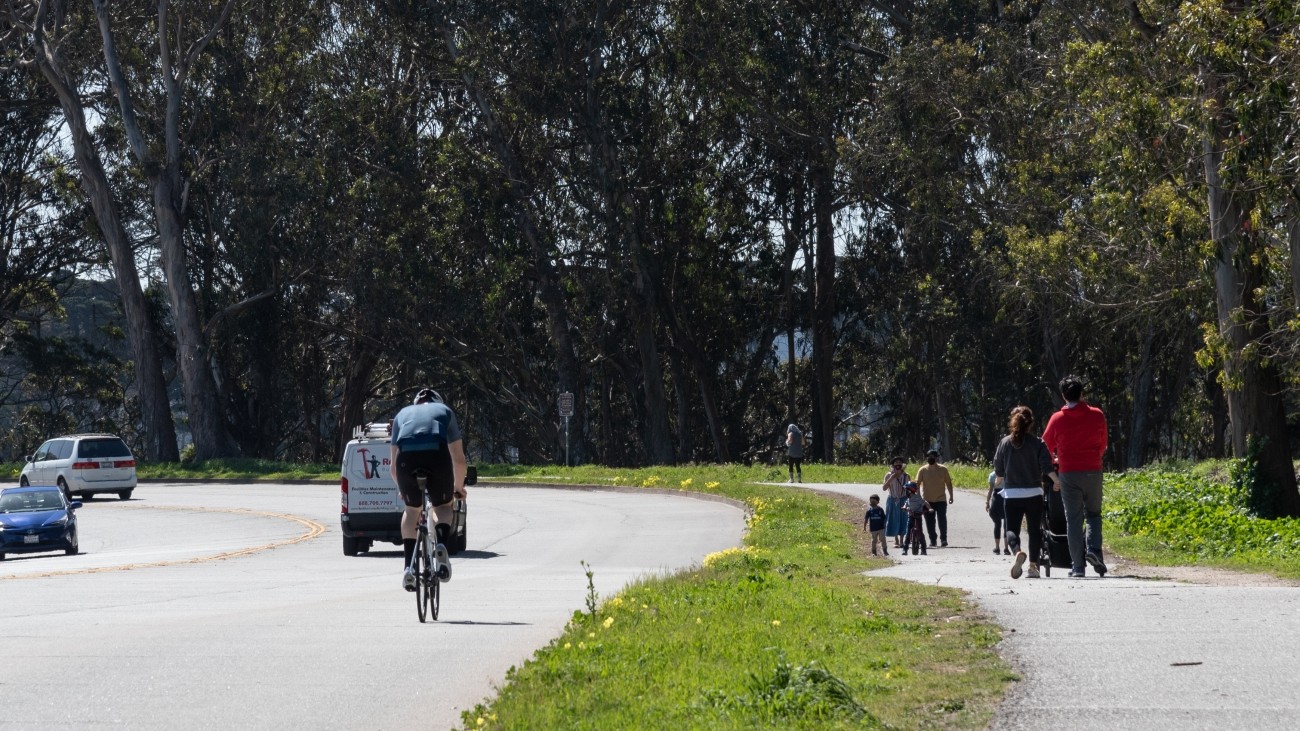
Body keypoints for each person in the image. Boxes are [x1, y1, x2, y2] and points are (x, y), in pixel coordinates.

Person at [391, 388, 467, 591]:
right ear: (437, 401)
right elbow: (459, 461)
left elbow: (392, 467)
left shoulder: (402, 415)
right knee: (442, 507)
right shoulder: (445, 411)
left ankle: (408, 567)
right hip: (437, 456)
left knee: (411, 510)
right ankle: (441, 544)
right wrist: (457, 489)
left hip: (406, 460)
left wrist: (403, 489)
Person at [1042, 375, 1109, 578]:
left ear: (1063, 396)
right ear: (1082, 394)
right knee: (1094, 515)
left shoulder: (1057, 419)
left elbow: (1045, 446)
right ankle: (1093, 550)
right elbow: (1103, 443)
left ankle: (1078, 566)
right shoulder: (1097, 415)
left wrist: (1055, 463)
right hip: (1092, 470)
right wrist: (1094, 457)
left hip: (1068, 472)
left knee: (1073, 519)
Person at [993, 405, 1055, 579]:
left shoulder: (1005, 442)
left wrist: (999, 478)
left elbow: (998, 468)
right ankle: (1033, 567)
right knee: (1035, 530)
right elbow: (1046, 466)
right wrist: (1057, 481)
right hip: (1034, 493)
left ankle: (1017, 552)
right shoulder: (1038, 442)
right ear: (1030, 423)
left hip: (1012, 494)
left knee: (1011, 529)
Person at [915, 449, 955, 547]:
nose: (931, 458)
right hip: (927, 501)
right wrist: (919, 497)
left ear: (937, 458)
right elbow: (917, 484)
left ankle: (943, 539)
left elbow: (948, 483)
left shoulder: (943, 469)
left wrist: (951, 496)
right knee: (930, 522)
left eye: (933, 456)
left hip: (941, 500)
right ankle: (933, 540)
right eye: (929, 456)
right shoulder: (922, 470)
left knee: (942, 520)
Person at [882, 457, 910, 548]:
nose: (898, 464)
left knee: (903, 519)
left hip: (903, 499)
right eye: (896, 462)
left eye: (900, 462)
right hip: (892, 499)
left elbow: (909, 489)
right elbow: (884, 488)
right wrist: (891, 478)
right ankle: (896, 539)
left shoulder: (906, 476)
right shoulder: (888, 475)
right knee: (893, 519)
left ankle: (902, 540)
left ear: (902, 465)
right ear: (893, 464)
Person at [900, 482, 931, 555]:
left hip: (918, 516)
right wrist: (904, 507)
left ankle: (923, 549)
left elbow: (925, 503)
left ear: (910, 491)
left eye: (907, 490)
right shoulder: (909, 498)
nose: (906, 492)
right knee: (908, 533)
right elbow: (906, 504)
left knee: (920, 533)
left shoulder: (917, 497)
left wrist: (929, 508)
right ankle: (905, 549)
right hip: (911, 516)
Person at [984, 469, 1009, 555]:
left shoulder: (992, 475)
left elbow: (990, 490)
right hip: (1006, 498)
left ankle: (997, 547)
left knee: (997, 525)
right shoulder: (1008, 473)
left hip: (996, 500)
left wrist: (987, 502)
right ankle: (1006, 548)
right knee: (1006, 525)